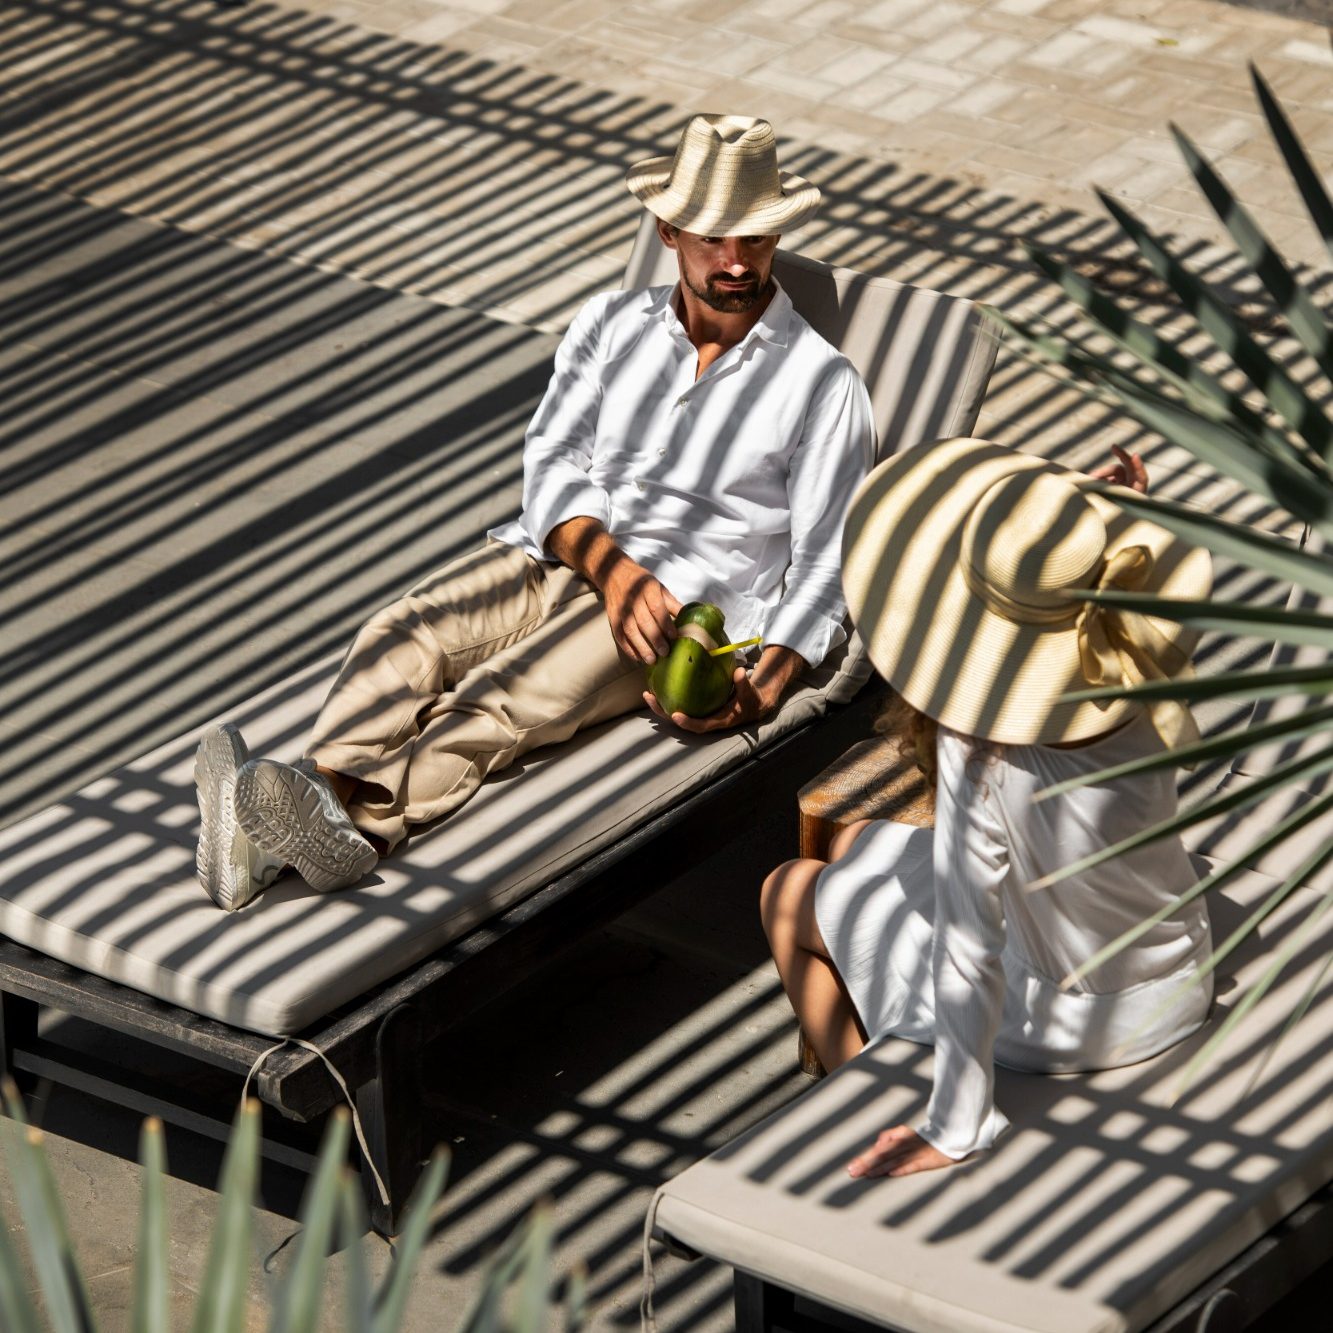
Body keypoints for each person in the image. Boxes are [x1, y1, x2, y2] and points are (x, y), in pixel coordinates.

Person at [193, 113, 875, 911]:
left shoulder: (822, 384)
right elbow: (551, 463)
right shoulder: (610, 324)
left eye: (754, 239)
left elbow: (828, 563)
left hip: (679, 606)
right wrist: (609, 568)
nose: (735, 261)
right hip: (565, 550)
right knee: (403, 629)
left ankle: (362, 823)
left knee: (506, 697)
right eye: (712, 236)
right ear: (667, 228)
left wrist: (771, 681)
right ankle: (308, 806)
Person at [759, 435, 1214, 1178]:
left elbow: (969, 946)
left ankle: (857, 1091)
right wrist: (1110, 512)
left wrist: (956, 1125)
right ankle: (872, 1064)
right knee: (853, 843)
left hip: (1074, 1022)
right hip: (1176, 979)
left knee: (784, 891)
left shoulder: (982, 743)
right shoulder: (1135, 656)